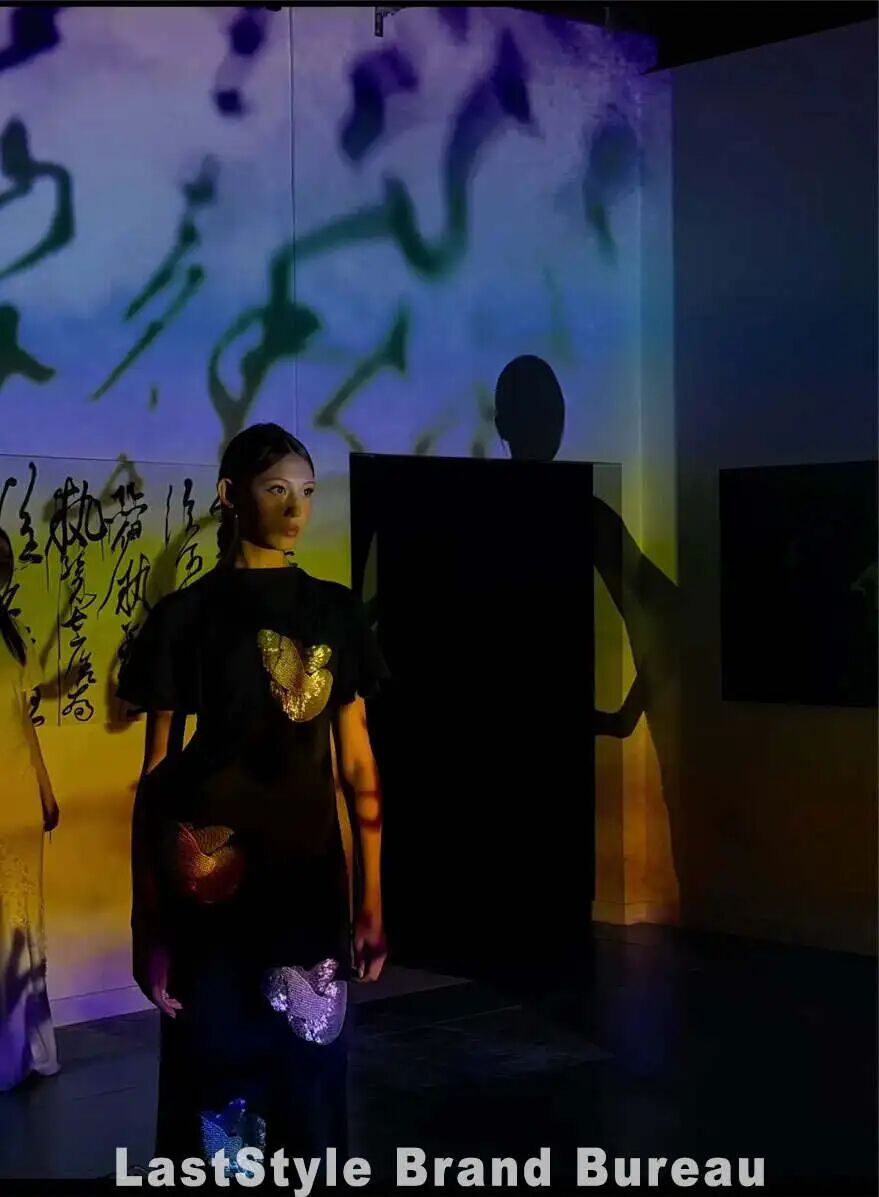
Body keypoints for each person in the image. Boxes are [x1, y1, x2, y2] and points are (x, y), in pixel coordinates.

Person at [117, 423, 388, 1170]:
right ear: (231, 495)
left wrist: (371, 898)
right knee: (215, 1079)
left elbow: (358, 765)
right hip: (208, 884)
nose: (296, 509)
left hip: (305, 881)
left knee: (310, 1079)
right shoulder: (186, 616)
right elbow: (156, 777)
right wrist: (148, 921)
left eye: (307, 491)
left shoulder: (335, 613)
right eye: (277, 490)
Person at [0, 526, 60, 1092]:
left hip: (17, 795)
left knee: (21, 920)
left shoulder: (10, 634)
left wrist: (44, 787)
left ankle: (27, 1051)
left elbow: (24, 723)